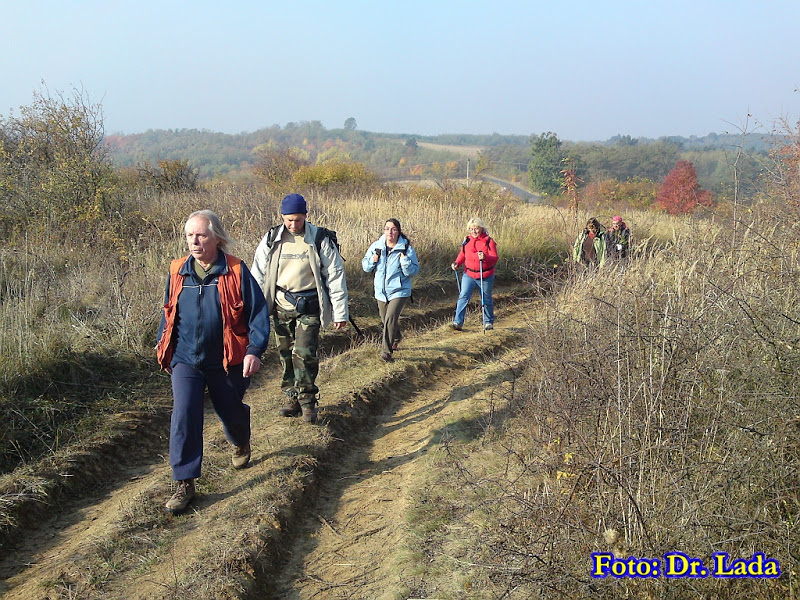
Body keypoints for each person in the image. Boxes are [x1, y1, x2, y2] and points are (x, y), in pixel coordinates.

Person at [156, 210, 270, 515]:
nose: (194, 241)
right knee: (184, 414)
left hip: (227, 360)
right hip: (186, 360)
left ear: (216, 237)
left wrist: (254, 350)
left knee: (229, 411)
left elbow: (258, 313)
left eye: (201, 235)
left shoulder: (235, 270)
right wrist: (164, 346)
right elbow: (169, 312)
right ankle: (185, 482)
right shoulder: (178, 270)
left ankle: (241, 440)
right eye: (190, 236)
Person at [251, 193, 349, 425]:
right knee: (285, 355)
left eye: (297, 219)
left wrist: (340, 311)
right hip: (281, 306)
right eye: (288, 220)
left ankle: (307, 402)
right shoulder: (271, 239)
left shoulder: (318, 239)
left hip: (310, 306)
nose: (293, 224)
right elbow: (258, 274)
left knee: (304, 354)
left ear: (306, 215)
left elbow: (335, 275)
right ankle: (291, 397)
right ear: (281, 217)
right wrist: (255, 309)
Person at [362, 218, 420, 362]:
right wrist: (372, 261)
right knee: (386, 320)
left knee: (390, 319)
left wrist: (405, 262)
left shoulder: (406, 248)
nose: (390, 232)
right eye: (387, 229)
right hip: (381, 291)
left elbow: (414, 270)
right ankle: (396, 336)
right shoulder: (377, 246)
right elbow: (365, 266)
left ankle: (386, 352)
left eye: (393, 229)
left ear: (398, 231)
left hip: (399, 290)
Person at [450, 217, 498, 331]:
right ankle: (458, 322)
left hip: (485, 275)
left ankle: (488, 322)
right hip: (469, 274)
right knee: (463, 297)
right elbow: (462, 254)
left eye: (476, 229)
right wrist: (457, 263)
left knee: (486, 299)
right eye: (471, 229)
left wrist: (485, 257)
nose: (473, 231)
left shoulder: (488, 241)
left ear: (481, 229)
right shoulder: (466, 240)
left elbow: (495, 258)